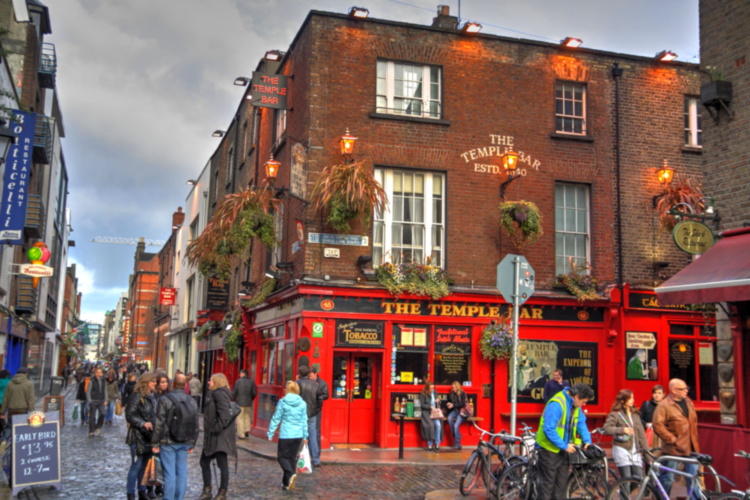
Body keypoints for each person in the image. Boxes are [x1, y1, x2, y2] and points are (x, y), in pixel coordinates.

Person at [536, 383, 594, 500]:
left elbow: (581, 422)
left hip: (563, 449)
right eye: (583, 401)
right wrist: (564, 445)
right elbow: (549, 429)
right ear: (576, 396)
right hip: (549, 449)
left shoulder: (575, 405)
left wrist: (587, 439)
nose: (584, 404)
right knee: (547, 486)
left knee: (561, 487)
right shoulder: (557, 403)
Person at [151, 373, 199, 500]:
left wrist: (155, 443)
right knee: (182, 472)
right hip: (185, 440)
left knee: (169, 473)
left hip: (168, 441)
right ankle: (179, 497)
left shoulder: (165, 399)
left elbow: (159, 423)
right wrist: (193, 442)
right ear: (185, 385)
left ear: (173, 384)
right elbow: (196, 424)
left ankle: (169, 498)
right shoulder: (192, 401)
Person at [652, 378, 701, 499]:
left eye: (686, 388)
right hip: (673, 448)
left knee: (693, 476)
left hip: (691, 446)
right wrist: (672, 439)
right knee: (667, 477)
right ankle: (662, 497)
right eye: (682, 389)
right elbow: (657, 425)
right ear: (673, 390)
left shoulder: (688, 402)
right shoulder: (664, 405)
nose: (686, 391)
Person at [199, 373, 236, 500]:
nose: (208, 382)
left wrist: (215, 429)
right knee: (208, 462)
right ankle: (211, 491)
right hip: (216, 436)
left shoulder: (219, 394)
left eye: (210, 380)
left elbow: (224, 416)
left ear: (216, 382)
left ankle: (219, 492)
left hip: (219, 436)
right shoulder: (218, 394)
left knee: (218, 463)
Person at [267, 380, 308, 491]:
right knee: (291, 458)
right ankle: (286, 484)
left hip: (286, 434)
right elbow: (304, 420)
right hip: (298, 435)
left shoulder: (283, 402)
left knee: (281, 458)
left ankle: (290, 474)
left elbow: (276, 418)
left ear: (288, 389)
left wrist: (270, 432)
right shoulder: (303, 403)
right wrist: (305, 436)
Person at [604, 389, 650, 479]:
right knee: (626, 478)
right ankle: (624, 492)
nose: (633, 400)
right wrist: (622, 430)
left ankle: (621, 492)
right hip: (622, 448)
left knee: (638, 478)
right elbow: (607, 429)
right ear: (622, 400)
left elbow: (641, 434)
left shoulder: (635, 414)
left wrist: (647, 453)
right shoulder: (615, 414)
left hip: (635, 450)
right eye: (630, 398)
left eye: (633, 398)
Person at [125, 372, 157, 500]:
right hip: (137, 436)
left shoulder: (151, 396)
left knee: (145, 465)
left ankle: (142, 491)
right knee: (136, 465)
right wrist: (143, 423)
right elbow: (130, 415)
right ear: (146, 383)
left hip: (149, 436)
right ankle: (130, 492)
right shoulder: (137, 396)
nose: (155, 383)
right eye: (152, 381)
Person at [297, 365, 324, 466]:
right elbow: (320, 400)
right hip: (312, 414)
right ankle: (316, 459)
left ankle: (299, 456)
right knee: (312, 435)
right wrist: (316, 410)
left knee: (299, 435)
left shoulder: (296, 384)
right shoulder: (316, 384)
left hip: (299, 414)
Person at [232, 369, 257, 439]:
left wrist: (231, 398)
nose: (239, 375)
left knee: (240, 418)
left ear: (243, 374)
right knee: (247, 416)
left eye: (240, 373)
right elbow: (254, 393)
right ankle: (246, 430)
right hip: (248, 403)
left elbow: (234, 392)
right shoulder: (251, 382)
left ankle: (241, 434)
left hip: (240, 402)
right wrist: (250, 399)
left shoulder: (238, 382)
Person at [418, 381, 443, 452]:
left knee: (438, 425)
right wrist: (430, 406)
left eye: (433, 388)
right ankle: (429, 444)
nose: (432, 389)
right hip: (427, 413)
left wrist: (438, 401)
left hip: (435, 413)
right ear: (427, 388)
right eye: (431, 388)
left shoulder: (435, 393)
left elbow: (438, 402)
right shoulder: (423, 394)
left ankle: (437, 444)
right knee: (430, 426)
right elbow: (422, 405)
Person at [640, 384, 665, 449]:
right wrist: (646, 424)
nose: (657, 395)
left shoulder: (667, 406)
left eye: (659, 393)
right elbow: (639, 418)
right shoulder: (646, 404)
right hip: (648, 434)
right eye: (655, 393)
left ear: (663, 395)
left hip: (663, 436)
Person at [311, 365, 329, 452]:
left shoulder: (322, 383)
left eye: (311, 376)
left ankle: (317, 452)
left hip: (317, 409)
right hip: (307, 409)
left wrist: (318, 397)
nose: (310, 378)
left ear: (316, 374)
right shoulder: (308, 382)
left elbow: (326, 395)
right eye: (309, 376)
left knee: (317, 431)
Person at [446, 381, 468, 450]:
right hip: (455, 411)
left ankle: (458, 444)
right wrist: (449, 404)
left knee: (456, 426)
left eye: (454, 387)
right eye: (453, 388)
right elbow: (450, 402)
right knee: (449, 418)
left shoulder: (462, 393)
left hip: (462, 412)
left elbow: (463, 404)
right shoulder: (452, 394)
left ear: (458, 387)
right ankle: (457, 435)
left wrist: (453, 405)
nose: (453, 389)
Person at [86, 367, 107, 436]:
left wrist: (106, 399)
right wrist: (90, 401)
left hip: (101, 400)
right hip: (93, 400)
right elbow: (88, 392)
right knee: (92, 416)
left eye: (101, 372)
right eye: (99, 372)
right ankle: (91, 430)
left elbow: (105, 391)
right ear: (96, 374)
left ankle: (98, 426)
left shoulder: (103, 381)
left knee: (103, 413)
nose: (101, 373)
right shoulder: (91, 381)